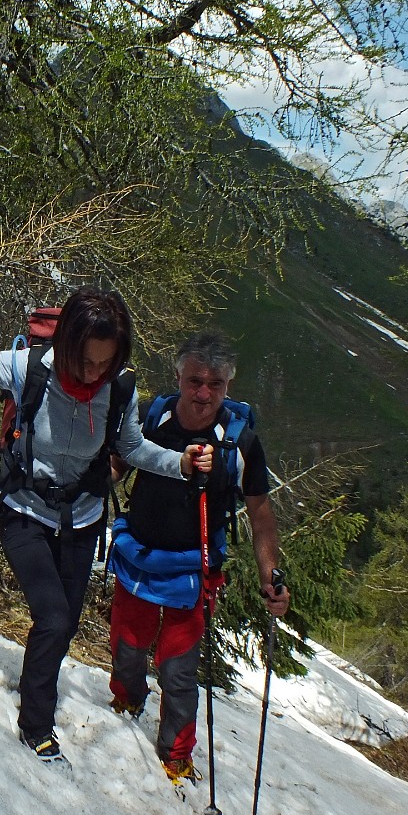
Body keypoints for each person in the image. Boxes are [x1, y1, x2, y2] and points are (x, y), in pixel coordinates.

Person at [0, 249, 212, 765]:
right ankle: (36, 723)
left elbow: (130, 448)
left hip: (82, 521)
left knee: (58, 625)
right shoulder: (28, 367)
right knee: (55, 615)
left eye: (107, 362)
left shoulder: (118, 389)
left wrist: (180, 463)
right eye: (87, 359)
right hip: (23, 509)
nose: (95, 371)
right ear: (65, 344)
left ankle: (37, 691)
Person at [107, 332, 291, 782]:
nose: (204, 393)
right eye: (195, 381)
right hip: (140, 556)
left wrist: (274, 578)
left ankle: (175, 753)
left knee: (178, 667)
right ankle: (127, 702)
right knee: (128, 646)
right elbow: (118, 464)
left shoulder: (239, 442)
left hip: (194, 570)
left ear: (228, 385)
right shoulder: (152, 416)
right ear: (179, 377)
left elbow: (261, 515)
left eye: (215, 383)